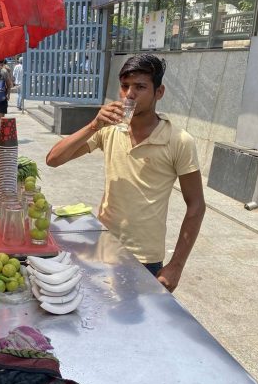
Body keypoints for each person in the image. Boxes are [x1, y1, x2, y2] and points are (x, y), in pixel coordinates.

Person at [46, 54, 205, 293]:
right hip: (105, 246)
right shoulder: (109, 130)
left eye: (140, 87)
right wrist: (94, 125)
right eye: (124, 86)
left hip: (145, 258)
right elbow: (54, 159)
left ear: (159, 92)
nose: (129, 94)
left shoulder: (178, 140)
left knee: (138, 325)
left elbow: (196, 205)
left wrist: (177, 265)